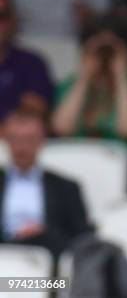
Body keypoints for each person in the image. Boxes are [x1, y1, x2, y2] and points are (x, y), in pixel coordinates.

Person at [52, 14, 127, 153]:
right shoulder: (70, 85)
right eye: (99, 50)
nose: (105, 55)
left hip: (124, 169)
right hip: (74, 165)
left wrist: (120, 74)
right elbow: (61, 128)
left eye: (110, 50)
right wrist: (85, 76)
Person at [0, 109, 92, 258]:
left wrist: (43, 232)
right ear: (5, 140)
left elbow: (82, 235)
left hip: (50, 264)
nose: (22, 147)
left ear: (41, 140)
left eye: (29, 139)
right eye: (15, 139)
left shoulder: (66, 187)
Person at [0, 0, 54, 121]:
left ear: (12, 21)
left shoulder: (31, 63)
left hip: (14, 140)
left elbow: (34, 112)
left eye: (1, 16)